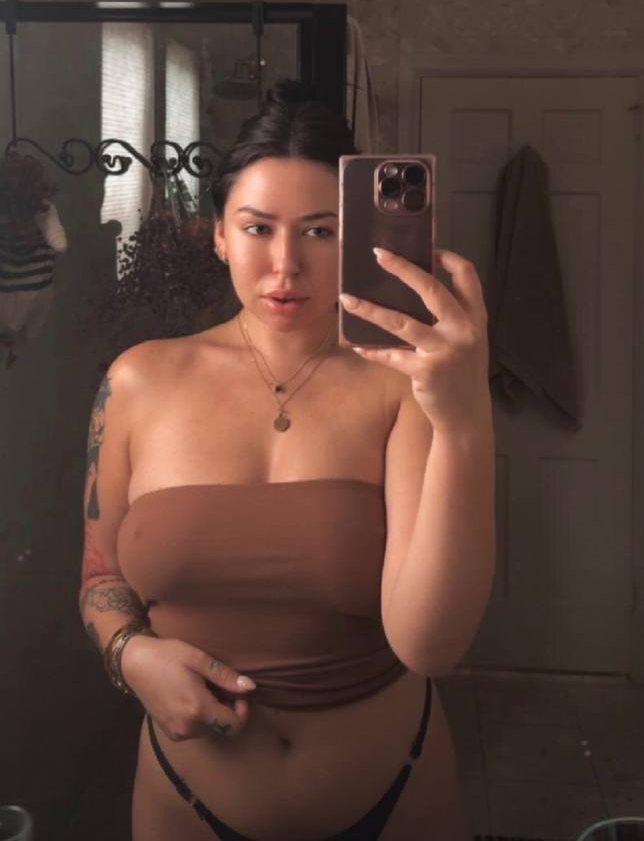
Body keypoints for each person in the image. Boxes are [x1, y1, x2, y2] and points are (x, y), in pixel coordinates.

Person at [78, 78, 494, 841]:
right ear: (218, 235)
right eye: (257, 228)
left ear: (358, 236)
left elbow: (431, 644)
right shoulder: (136, 381)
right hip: (181, 806)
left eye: (320, 230)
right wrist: (131, 655)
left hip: (398, 799)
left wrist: (464, 417)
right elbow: (101, 574)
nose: (285, 266)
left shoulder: (404, 385)